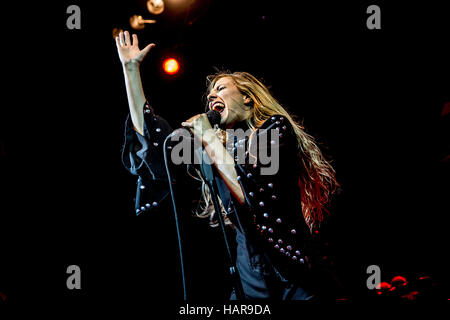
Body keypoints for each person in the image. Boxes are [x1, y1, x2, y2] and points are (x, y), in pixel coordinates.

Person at [116, 31, 339, 300]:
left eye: (220, 89)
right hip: (250, 276)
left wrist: (208, 137)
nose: (211, 97)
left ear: (247, 97)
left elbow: (250, 192)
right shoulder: (217, 148)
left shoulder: (274, 129)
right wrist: (130, 71)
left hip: (294, 271)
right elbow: (153, 142)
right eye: (209, 95)